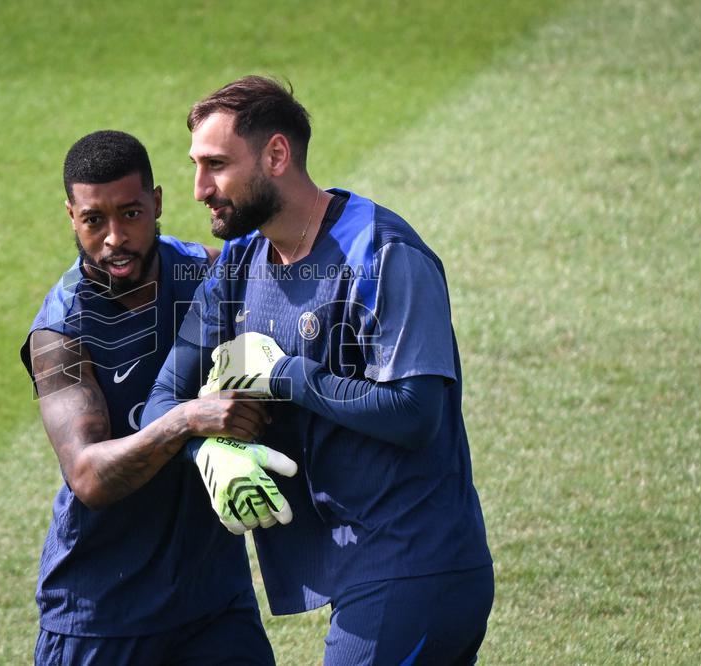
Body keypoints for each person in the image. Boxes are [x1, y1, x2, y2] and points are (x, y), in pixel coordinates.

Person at [141, 77, 494, 664]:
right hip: (359, 571)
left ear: (276, 155)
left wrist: (286, 378)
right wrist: (205, 450)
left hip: (414, 568)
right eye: (196, 166)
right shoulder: (239, 264)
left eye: (217, 165)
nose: (199, 188)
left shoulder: (382, 254)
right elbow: (163, 399)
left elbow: (416, 413)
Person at [19, 130, 278, 665]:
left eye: (131, 213)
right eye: (94, 220)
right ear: (71, 216)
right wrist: (185, 420)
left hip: (212, 603)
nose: (114, 236)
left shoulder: (210, 272)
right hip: (103, 615)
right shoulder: (61, 334)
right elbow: (88, 476)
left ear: (157, 202)